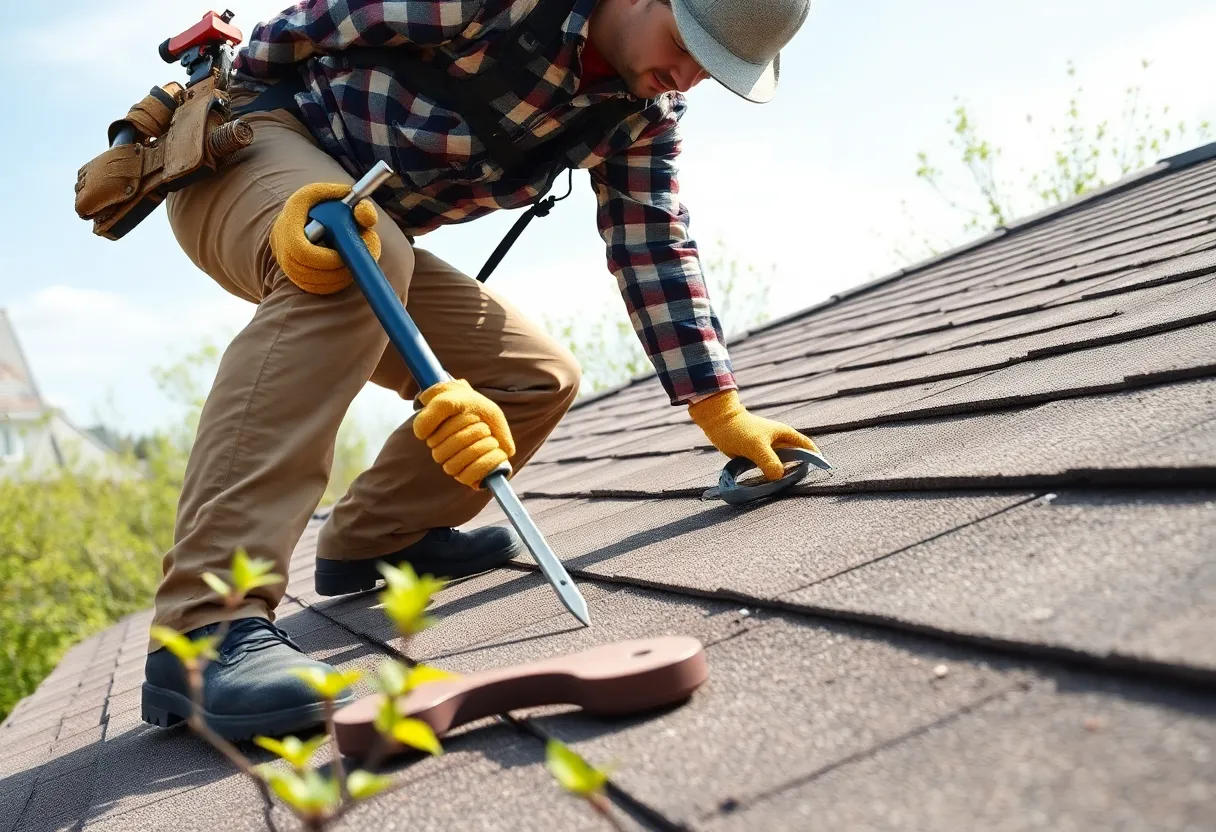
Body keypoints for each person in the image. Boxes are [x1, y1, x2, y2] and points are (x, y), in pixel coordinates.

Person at [142, 0, 819, 739]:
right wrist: (262, 150)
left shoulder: (642, 115)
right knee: (359, 255)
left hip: (370, 227)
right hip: (244, 147)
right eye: (688, 44)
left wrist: (719, 409)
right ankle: (205, 626)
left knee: (536, 376)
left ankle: (379, 536)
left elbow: (654, 242)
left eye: (713, 71)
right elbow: (295, 33)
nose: (687, 76)